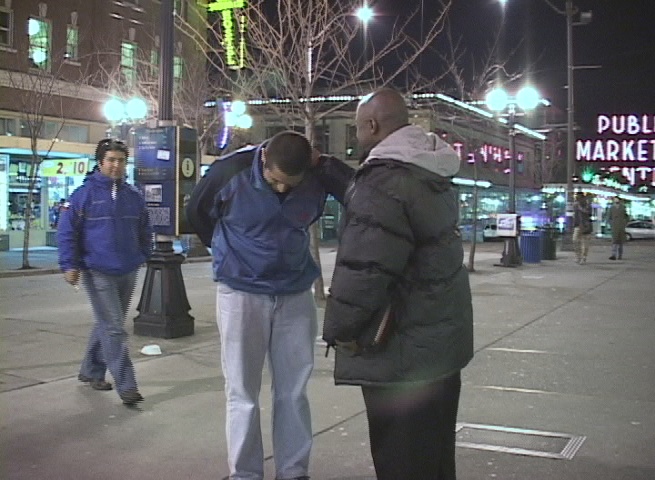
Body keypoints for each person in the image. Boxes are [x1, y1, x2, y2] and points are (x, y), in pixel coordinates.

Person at [322, 88, 474, 480]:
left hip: (400, 353)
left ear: (372, 125)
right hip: (438, 346)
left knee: (402, 459)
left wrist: (339, 331)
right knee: (435, 456)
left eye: (357, 129)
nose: (357, 138)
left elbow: (365, 269)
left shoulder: (384, 181)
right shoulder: (430, 171)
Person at [186, 131, 350, 480]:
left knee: (293, 391)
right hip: (240, 292)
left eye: (291, 184)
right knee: (242, 391)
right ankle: (244, 473)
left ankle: (293, 471)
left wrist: (324, 164)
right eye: (276, 181)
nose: (282, 190)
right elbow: (196, 212)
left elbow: (360, 194)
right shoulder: (229, 172)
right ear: (263, 161)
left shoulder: (315, 174)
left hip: (294, 293)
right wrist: (225, 251)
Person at [57, 138, 153, 406]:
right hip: (98, 271)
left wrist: (143, 253)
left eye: (121, 160)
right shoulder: (83, 195)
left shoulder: (133, 196)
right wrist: (69, 265)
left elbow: (145, 229)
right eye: (111, 160)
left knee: (107, 324)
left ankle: (91, 370)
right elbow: (67, 233)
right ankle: (127, 385)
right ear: (100, 162)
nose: (116, 165)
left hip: (128, 269)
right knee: (113, 329)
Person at [572, 193, 593, 264]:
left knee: (585, 243)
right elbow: (574, 215)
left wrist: (580, 208)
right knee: (575, 240)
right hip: (577, 225)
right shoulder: (575, 205)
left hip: (585, 225)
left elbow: (589, 213)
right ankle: (578, 256)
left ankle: (583, 257)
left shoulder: (587, 205)